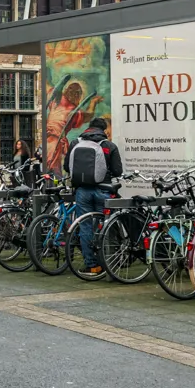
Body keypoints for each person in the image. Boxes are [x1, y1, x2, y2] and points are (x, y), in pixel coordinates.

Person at [65, 117, 124, 274]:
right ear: (104, 130)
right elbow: (118, 171)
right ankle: (109, 263)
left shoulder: (75, 143)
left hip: (82, 191)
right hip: (103, 190)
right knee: (107, 225)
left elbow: (66, 166)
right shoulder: (109, 146)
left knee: (85, 227)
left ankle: (92, 265)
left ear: (89, 127)